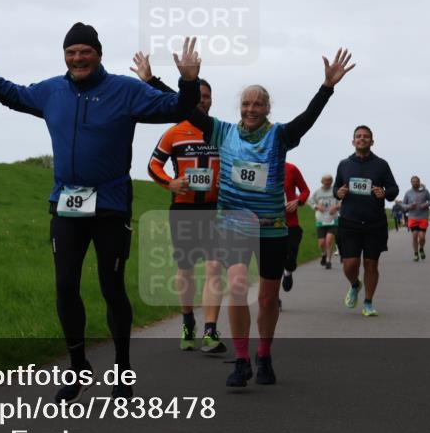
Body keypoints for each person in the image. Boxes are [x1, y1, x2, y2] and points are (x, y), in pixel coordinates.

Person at [0, 25, 202, 402]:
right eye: (71, 52)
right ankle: (78, 366)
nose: (77, 58)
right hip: (66, 204)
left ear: (98, 54)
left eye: (85, 52)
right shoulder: (52, 91)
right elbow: (12, 95)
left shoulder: (125, 91)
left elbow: (176, 108)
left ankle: (123, 369)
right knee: (65, 287)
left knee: (112, 288)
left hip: (110, 205)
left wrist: (188, 83)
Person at [133, 48, 355, 385]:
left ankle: (263, 355)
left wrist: (327, 87)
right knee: (237, 286)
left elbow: (308, 118)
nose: (251, 109)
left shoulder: (280, 136)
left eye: (258, 104)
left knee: (267, 299)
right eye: (246, 104)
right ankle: (241, 359)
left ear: (268, 108)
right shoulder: (222, 132)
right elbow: (186, 110)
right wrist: (158, 80)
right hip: (233, 225)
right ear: (240, 108)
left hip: (272, 229)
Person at [144, 74, 227, 353]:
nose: (203, 102)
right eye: (198, 97)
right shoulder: (175, 132)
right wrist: (170, 182)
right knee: (187, 269)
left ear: (212, 101)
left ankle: (210, 331)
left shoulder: (221, 131)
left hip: (215, 209)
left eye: (207, 97)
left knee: (215, 266)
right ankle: (188, 320)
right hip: (184, 208)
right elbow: (153, 164)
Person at [333, 126, 399, 317]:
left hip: (374, 223)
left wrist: (385, 193)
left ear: (372, 141)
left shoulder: (381, 165)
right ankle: (355, 284)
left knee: (371, 264)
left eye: (366, 137)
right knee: (350, 263)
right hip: (349, 221)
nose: (362, 139)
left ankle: (368, 302)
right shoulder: (344, 164)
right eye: (358, 136)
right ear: (353, 141)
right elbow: (337, 188)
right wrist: (338, 193)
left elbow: (394, 189)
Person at [280, 162, 311, 301]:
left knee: (290, 258)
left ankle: (288, 271)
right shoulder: (259, 166)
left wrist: (297, 201)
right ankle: (274, 299)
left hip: (290, 223)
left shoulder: (291, 169)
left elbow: (305, 190)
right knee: (272, 264)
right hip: (268, 224)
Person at [308, 174, 340, 269]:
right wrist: (316, 206)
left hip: (332, 219)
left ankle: (328, 261)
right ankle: (323, 254)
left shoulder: (335, 191)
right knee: (321, 243)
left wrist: (336, 207)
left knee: (329, 240)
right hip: (320, 220)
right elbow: (310, 201)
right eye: (325, 181)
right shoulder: (318, 192)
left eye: (329, 181)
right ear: (322, 182)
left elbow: (342, 201)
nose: (327, 183)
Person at [402, 176, 430, 261]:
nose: (415, 183)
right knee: (415, 236)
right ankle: (416, 254)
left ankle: (421, 249)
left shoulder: (425, 191)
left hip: (423, 217)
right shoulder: (408, 193)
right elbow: (403, 204)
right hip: (412, 217)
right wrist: (409, 206)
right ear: (411, 183)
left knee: (422, 237)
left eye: (416, 181)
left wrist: (425, 205)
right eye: (413, 182)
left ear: (419, 182)